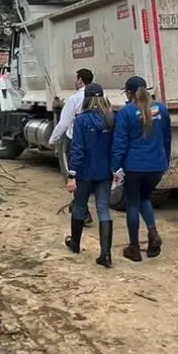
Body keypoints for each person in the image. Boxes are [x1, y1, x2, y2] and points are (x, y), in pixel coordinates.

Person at [111, 75, 172, 262]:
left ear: (129, 93)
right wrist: (165, 161)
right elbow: (167, 138)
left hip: (134, 166)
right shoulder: (161, 109)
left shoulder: (126, 112)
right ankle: (153, 233)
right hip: (156, 165)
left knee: (133, 203)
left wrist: (115, 167)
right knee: (145, 197)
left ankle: (134, 247)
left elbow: (120, 143)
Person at [64, 83, 115, 268]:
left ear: (86, 98)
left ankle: (75, 244)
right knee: (103, 209)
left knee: (79, 206)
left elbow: (77, 149)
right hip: (105, 172)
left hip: (85, 172)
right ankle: (106, 254)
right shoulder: (110, 118)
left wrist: (72, 174)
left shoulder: (82, 120)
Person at [50, 68, 95, 225]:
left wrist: (53, 139)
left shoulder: (75, 99)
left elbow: (64, 123)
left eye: (76, 79)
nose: (74, 82)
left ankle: (83, 212)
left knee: (73, 176)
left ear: (81, 80)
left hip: (75, 141)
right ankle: (79, 207)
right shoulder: (99, 98)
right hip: (94, 142)